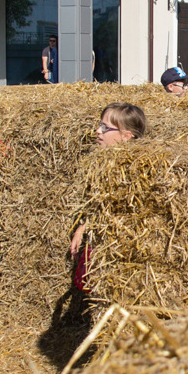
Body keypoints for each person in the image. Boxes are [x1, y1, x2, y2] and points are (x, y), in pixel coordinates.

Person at [70, 103, 147, 291]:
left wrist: (84, 228)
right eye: (99, 125)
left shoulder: (135, 171)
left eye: (105, 128)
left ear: (126, 136)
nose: (98, 131)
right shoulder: (104, 164)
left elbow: (119, 211)